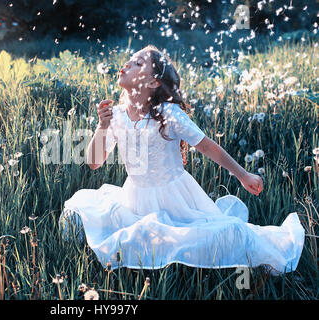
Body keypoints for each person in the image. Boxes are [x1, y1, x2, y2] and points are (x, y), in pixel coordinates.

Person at [59, 45, 305, 276]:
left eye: (137, 63)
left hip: (175, 198)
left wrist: (243, 174)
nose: (126, 64)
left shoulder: (168, 114)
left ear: (153, 82)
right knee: (87, 215)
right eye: (130, 60)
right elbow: (93, 162)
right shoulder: (117, 115)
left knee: (216, 234)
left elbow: (208, 146)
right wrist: (102, 127)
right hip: (134, 197)